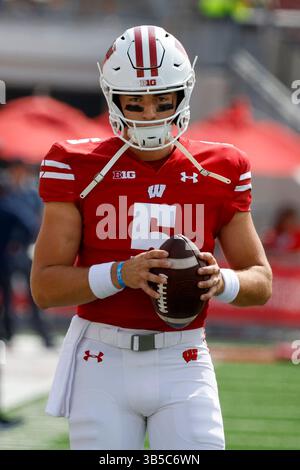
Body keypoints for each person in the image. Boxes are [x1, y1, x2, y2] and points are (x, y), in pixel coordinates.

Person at [30, 25, 272, 450]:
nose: (150, 115)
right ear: (113, 99)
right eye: (136, 104)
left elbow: (261, 282)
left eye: (163, 101)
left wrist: (221, 281)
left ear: (184, 94)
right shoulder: (78, 163)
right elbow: (45, 286)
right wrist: (122, 273)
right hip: (101, 358)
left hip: (184, 357)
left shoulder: (221, 168)